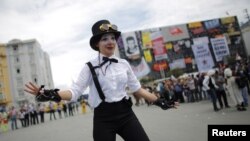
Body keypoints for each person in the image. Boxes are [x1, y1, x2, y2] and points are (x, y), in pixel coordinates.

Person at [24, 19, 178, 141]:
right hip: (103, 119)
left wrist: (159, 101)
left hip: (126, 114)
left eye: (112, 38)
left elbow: (137, 88)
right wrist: (50, 93)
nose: (110, 41)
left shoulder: (123, 64)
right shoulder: (89, 67)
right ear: (97, 44)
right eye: (105, 39)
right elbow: (75, 92)